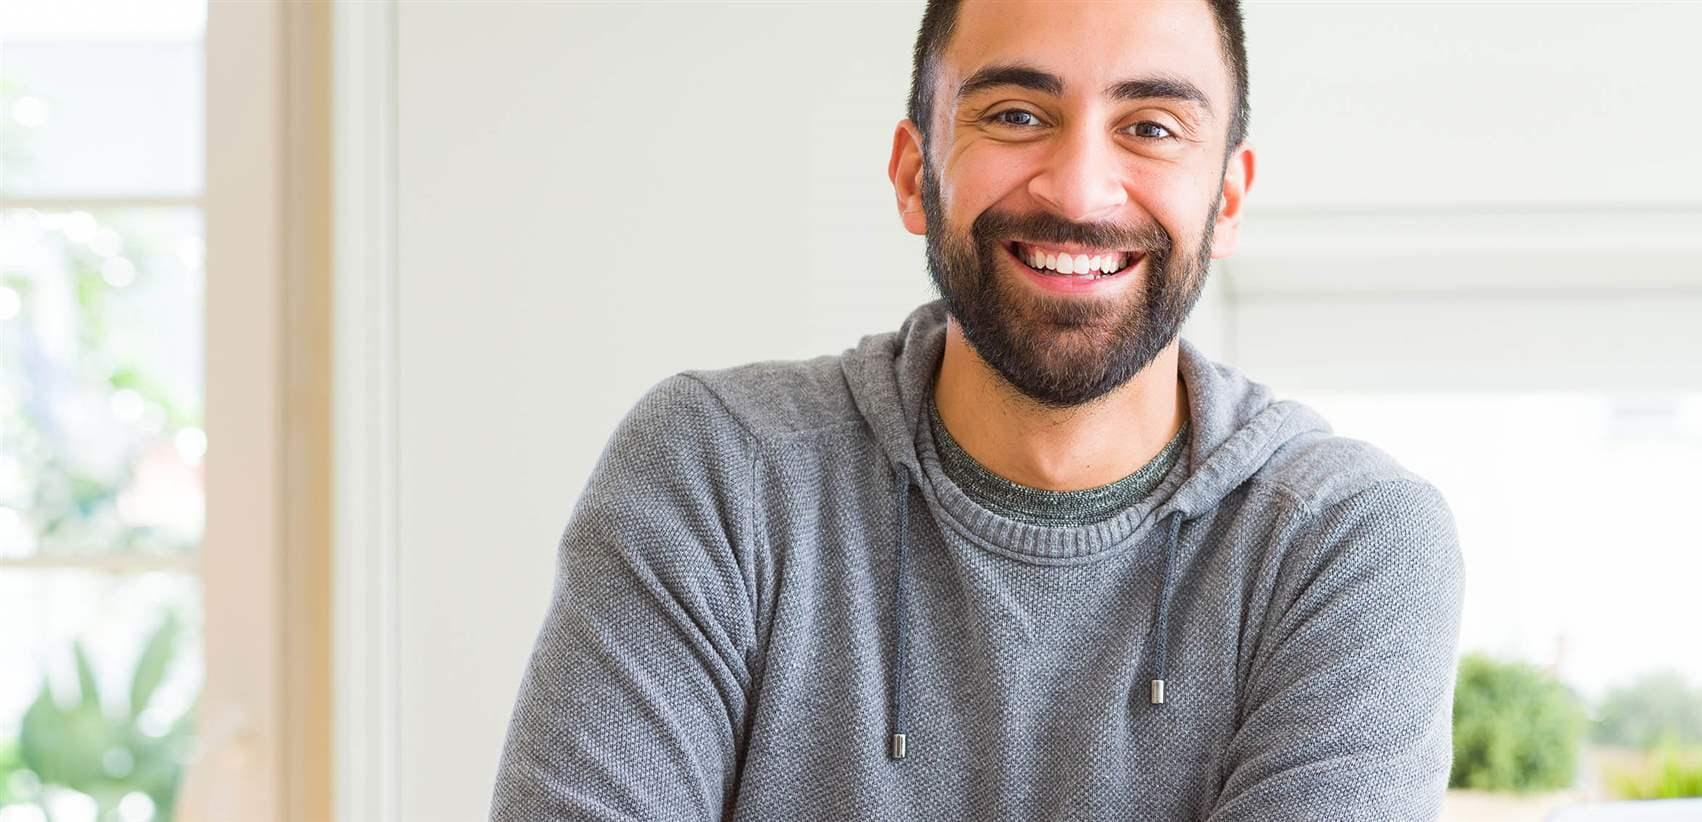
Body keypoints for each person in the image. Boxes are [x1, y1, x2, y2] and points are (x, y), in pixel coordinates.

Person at [488, 1, 1464, 819]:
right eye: (1014, 114)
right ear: (917, 174)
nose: (1080, 188)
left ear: (1229, 200)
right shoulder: (718, 472)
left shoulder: (1345, 542)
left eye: (1152, 127)